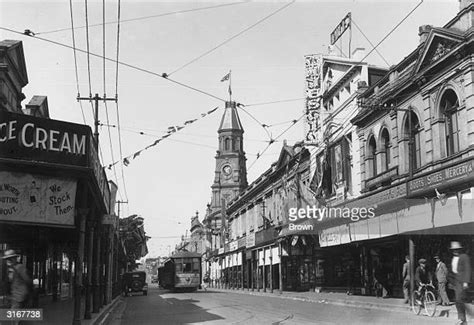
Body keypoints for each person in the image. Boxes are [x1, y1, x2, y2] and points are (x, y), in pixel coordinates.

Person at [450, 241, 471, 325]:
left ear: (460, 249)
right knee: (457, 301)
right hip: (456, 282)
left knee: (460, 300)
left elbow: (467, 269)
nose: (455, 251)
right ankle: (462, 319)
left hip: (462, 282)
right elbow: (453, 270)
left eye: (457, 249)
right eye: (454, 249)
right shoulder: (453, 258)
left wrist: (466, 282)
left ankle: (463, 319)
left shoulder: (464, 256)